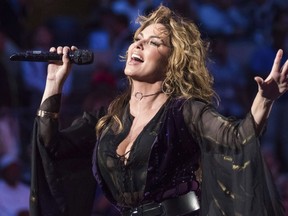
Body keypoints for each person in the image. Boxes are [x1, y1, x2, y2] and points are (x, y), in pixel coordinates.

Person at [30, 5, 287, 216]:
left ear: (172, 60)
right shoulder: (107, 119)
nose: (138, 45)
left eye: (153, 42)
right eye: (137, 39)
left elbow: (237, 138)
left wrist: (264, 99)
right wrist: (54, 82)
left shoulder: (185, 111)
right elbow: (51, 147)